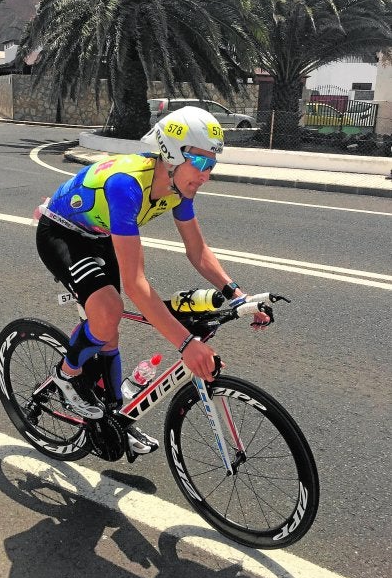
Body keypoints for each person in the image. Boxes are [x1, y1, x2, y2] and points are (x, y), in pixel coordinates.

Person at [35, 106, 270, 456]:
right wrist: (186, 344)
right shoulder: (126, 186)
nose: (206, 175)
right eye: (202, 163)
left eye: (212, 165)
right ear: (174, 155)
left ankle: (113, 417)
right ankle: (66, 375)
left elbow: (197, 250)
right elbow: (135, 283)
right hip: (63, 231)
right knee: (109, 310)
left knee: (109, 333)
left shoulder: (180, 188)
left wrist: (237, 294)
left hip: (100, 234)